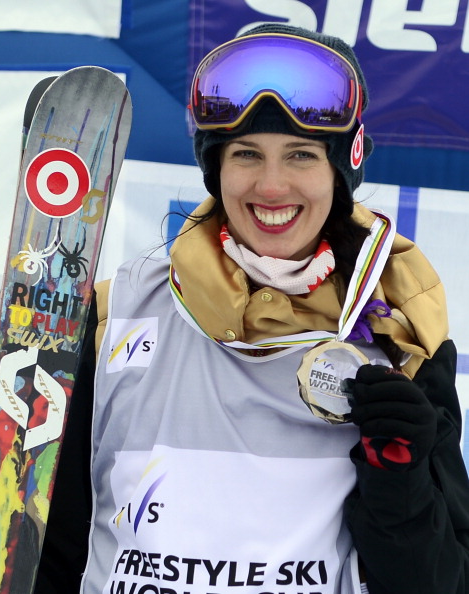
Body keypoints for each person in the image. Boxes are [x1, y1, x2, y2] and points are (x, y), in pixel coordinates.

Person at [35, 23, 469, 594]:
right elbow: (54, 543)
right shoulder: (118, 313)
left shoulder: (401, 333)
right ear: (215, 168)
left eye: (301, 155)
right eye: (245, 154)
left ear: (341, 170)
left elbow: (440, 583)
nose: (271, 185)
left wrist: (401, 484)